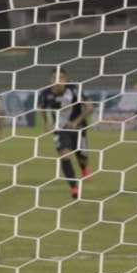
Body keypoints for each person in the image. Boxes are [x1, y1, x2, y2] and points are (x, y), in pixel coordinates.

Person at [38, 68, 93, 199]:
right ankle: (74, 187)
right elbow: (42, 108)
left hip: (78, 128)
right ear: (50, 80)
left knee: (82, 156)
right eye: (54, 78)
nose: (58, 81)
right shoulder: (45, 94)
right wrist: (46, 122)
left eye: (61, 78)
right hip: (60, 129)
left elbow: (90, 107)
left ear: (65, 80)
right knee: (65, 155)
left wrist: (75, 122)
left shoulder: (74, 90)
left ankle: (84, 169)